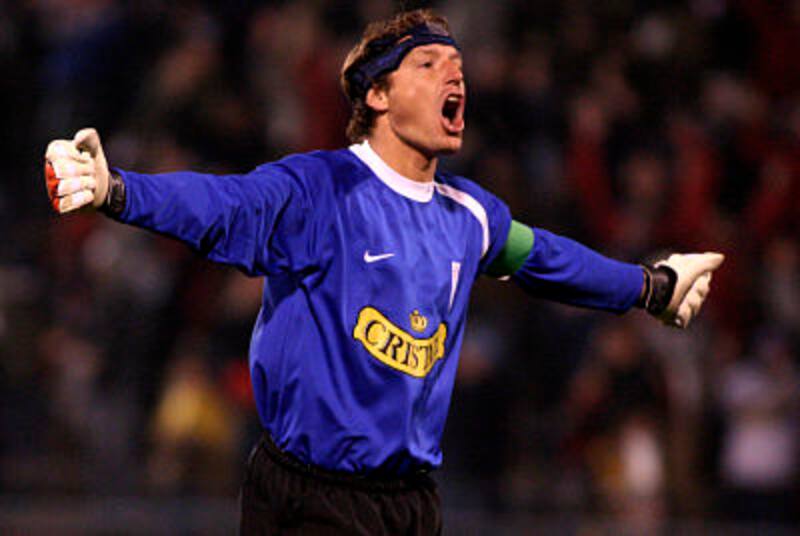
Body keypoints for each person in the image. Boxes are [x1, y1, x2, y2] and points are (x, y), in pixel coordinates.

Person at [42, 9, 723, 535]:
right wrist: (118, 190)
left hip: (411, 503)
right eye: (429, 64)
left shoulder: (471, 215)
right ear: (376, 95)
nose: (455, 76)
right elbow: (221, 204)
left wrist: (651, 287)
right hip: (308, 495)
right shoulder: (319, 190)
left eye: (458, 65)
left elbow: (545, 258)